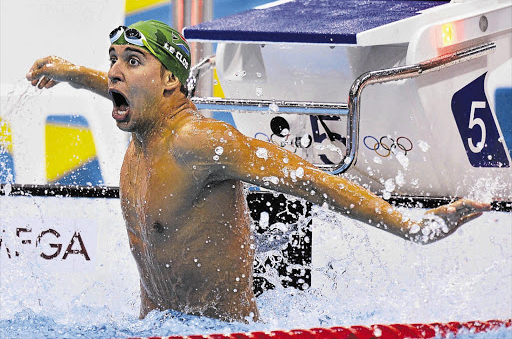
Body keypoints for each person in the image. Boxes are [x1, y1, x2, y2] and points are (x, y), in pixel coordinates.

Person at [26, 20, 490, 323]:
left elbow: (309, 180)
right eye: (112, 62)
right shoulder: (142, 130)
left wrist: (410, 224)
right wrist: (74, 74)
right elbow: (118, 91)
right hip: (155, 327)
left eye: (131, 62)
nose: (112, 74)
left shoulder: (201, 143)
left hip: (221, 333)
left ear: (171, 81)